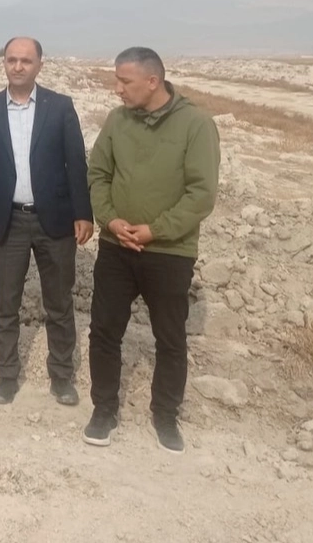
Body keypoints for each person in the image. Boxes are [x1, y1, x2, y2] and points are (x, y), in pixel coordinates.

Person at [84, 47, 220, 454]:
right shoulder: (117, 121)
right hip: (116, 247)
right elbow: (98, 174)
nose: (117, 89)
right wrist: (110, 220)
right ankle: (104, 410)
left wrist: (155, 231)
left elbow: (201, 194)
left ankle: (165, 416)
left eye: (124, 81)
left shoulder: (196, 124)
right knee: (104, 331)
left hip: (170, 252)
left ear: (152, 81)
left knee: (170, 338)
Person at [0, 37, 93, 407]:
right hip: (7, 221)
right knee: (5, 303)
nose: (18, 66)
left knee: (59, 302)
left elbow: (76, 163)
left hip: (55, 220)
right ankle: (7, 375)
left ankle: (62, 376)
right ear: (3, 64)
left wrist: (83, 213)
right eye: (12, 60)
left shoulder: (60, 106)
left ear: (40, 64)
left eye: (26, 60)